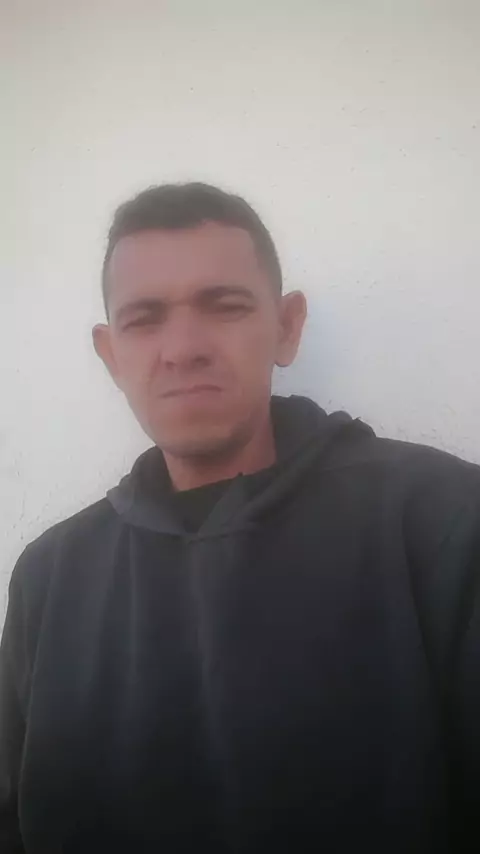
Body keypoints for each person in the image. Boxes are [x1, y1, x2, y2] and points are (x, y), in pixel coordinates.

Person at [1, 182, 479, 854]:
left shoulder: (442, 523)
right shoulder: (50, 579)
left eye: (223, 306)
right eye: (144, 319)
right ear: (110, 355)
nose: (182, 348)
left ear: (287, 327)